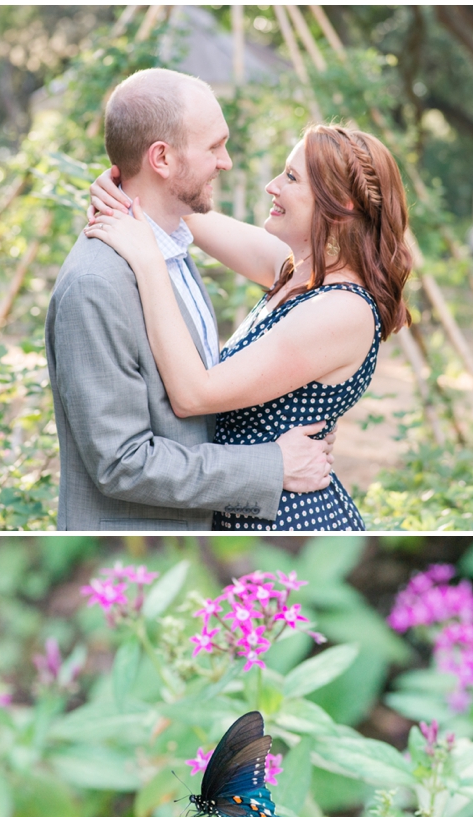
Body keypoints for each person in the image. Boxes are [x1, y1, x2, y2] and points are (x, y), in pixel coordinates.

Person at [86, 117, 412, 530]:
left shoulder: (341, 310)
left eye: (291, 178)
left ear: (342, 203)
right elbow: (181, 212)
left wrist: (148, 260)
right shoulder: (297, 270)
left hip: (287, 518)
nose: (272, 186)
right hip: (248, 501)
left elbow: (193, 395)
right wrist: (122, 188)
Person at [44, 67, 334, 531]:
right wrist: (272, 465)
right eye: (214, 146)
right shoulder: (96, 284)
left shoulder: (168, 246)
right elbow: (122, 462)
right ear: (161, 157)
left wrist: (128, 194)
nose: (227, 161)